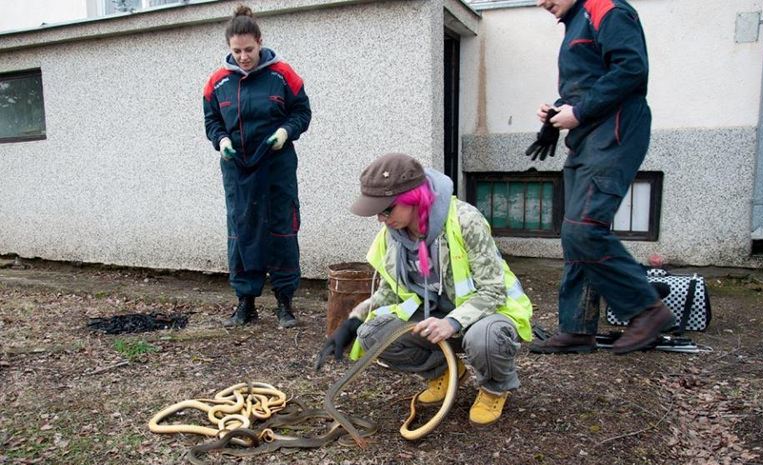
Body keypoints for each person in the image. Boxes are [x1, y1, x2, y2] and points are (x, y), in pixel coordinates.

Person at [316, 153, 534, 428]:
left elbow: (493, 291)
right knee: (372, 334)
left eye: (386, 210)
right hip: (433, 321)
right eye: (377, 212)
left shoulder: (465, 220)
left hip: (487, 315)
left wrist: (452, 322)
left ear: (412, 198)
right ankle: (444, 372)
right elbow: (389, 293)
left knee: (486, 338)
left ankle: (494, 388)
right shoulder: (393, 236)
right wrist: (351, 323)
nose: (381, 220)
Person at [530, 0, 673, 355]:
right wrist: (556, 114)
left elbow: (631, 69)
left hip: (615, 133)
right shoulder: (576, 22)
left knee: (585, 228)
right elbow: (590, 82)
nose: (540, 2)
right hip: (587, 140)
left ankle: (647, 309)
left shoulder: (605, 8)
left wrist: (579, 111)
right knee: (574, 234)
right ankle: (577, 328)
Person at [203, 4, 311, 329]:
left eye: (248, 49)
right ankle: (245, 303)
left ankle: (285, 304)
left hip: (276, 165)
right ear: (229, 48)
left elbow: (302, 113)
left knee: (281, 228)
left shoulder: (283, 75)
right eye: (236, 51)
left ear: (260, 42)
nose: (243, 57)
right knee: (242, 231)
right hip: (237, 168)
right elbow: (211, 122)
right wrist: (220, 141)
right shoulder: (217, 83)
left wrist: (285, 132)